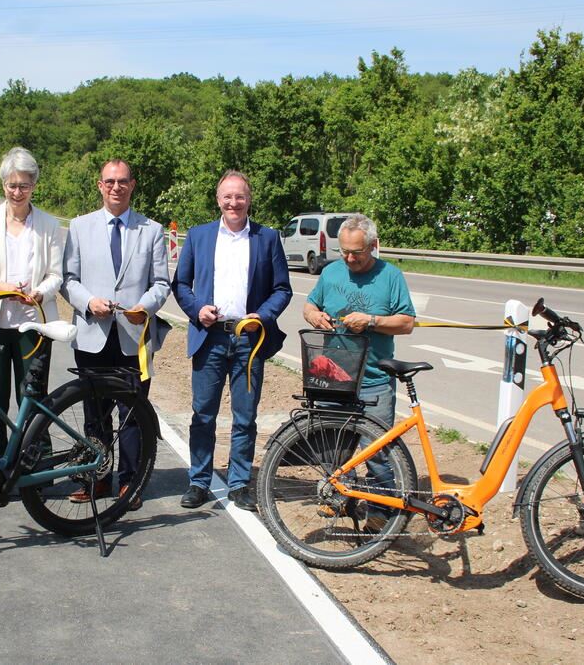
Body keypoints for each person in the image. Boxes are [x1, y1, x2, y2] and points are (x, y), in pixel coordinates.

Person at [171, 170, 292, 512]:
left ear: (249, 199)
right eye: (227, 197)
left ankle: (239, 483)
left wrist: (262, 316)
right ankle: (199, 481)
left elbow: (282, 289)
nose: (233, 202)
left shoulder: (267, 238)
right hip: (210, 337)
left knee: (245, 417)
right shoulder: (198, 236)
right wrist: (197, 310)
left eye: (239, 196)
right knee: (203, 414)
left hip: (248, 341)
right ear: (218, 199)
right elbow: (180, 284)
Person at [62, 159, 171, 510]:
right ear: (99, 185)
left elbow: (161, 283)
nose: (116, 187)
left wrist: (145, 307)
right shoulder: (79, 227)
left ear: (133, 185)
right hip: (92, 334)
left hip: (132, 337)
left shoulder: (151, 230)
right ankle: (95, 479)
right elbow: (68, 280)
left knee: (132, 414)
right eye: (110, 181)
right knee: (94, 413)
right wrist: (87, 302)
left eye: (123, 181)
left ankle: (130, 483)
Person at [302, 213, 415, 530]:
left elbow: (407, 323)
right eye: (344, 252)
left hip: (374, 381)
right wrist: (313, 316)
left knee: (377, 452)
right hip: (332, 377)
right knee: (332, 446)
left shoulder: (391, 277)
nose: (350, 258)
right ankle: (339, 498)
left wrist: (373, 321)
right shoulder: (331, 272)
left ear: (373, 246)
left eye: (357, 253)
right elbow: (309, 305)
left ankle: (380, 509)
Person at [0, 147, 63, 457]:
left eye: (24, 185)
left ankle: (37, 471)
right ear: (3, 184)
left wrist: (40, 292)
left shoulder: (48, 224)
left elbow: (56, 274)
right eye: (11, 185)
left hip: (33, 323)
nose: (17, 192)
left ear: (34, 185)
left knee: (33, 400)